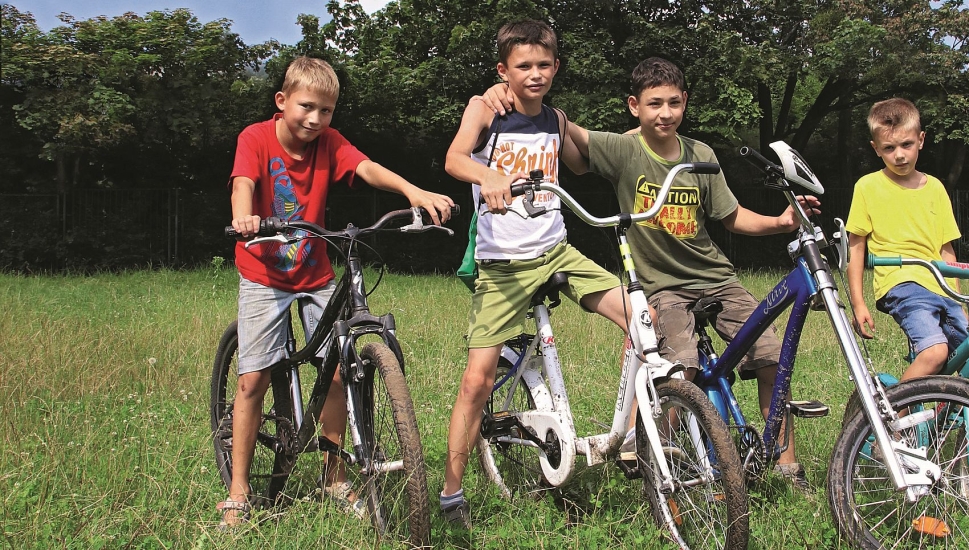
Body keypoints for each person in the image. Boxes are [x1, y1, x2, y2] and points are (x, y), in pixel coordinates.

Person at [480, 56, 820, 491]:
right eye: (654, 103)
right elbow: (565, 129)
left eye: (674, 103)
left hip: (717, 277)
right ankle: (654, 458)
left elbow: (730, 216)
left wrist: (781, 222)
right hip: (662, 289)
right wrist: (505, 92)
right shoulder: (625, 149)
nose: (665, 113)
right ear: (633, 106)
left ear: (685, 103)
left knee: (773, 357)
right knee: (681, 372)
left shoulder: (702, 154)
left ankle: (787, 468)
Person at [220, 56, 454, 530]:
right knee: (253, 380)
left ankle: (335, 477)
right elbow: (243, 181)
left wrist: (412, 192)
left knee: (337, 374)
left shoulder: (329, 143)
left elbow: (365, 167)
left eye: (326, 111)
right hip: (264, 272)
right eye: (307, 107)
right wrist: (245, 217)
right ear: (282, 101)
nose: (316, 119)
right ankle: (238, 493)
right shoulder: (257, 138)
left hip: (315, 271)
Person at [440, 20, 632, 529]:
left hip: (556, 251)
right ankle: (451, 493)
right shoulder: (486, 109)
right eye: (523, 66)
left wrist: (636, 138)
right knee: (477, 380)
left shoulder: (555, 118)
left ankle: (633, 440)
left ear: (556, 68)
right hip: (502, 264)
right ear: (503, 70)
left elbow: (581, 163)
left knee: (642, 317)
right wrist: (490, 175)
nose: (535, 74)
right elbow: (455, 159)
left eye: (544, 65)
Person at [845, 97, 967, 382]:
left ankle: (941, 412)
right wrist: (858, 303)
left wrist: (957, 297)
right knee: (935, 352)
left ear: (921, 140)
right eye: (889, 148)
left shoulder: (935, 188)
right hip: (902, 284)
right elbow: (856, 247)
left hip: (940, 285)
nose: (899, 155)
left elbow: (946, 250)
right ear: (876, 149)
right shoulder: (868, 187)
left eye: (906, 145)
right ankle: (895, 415)